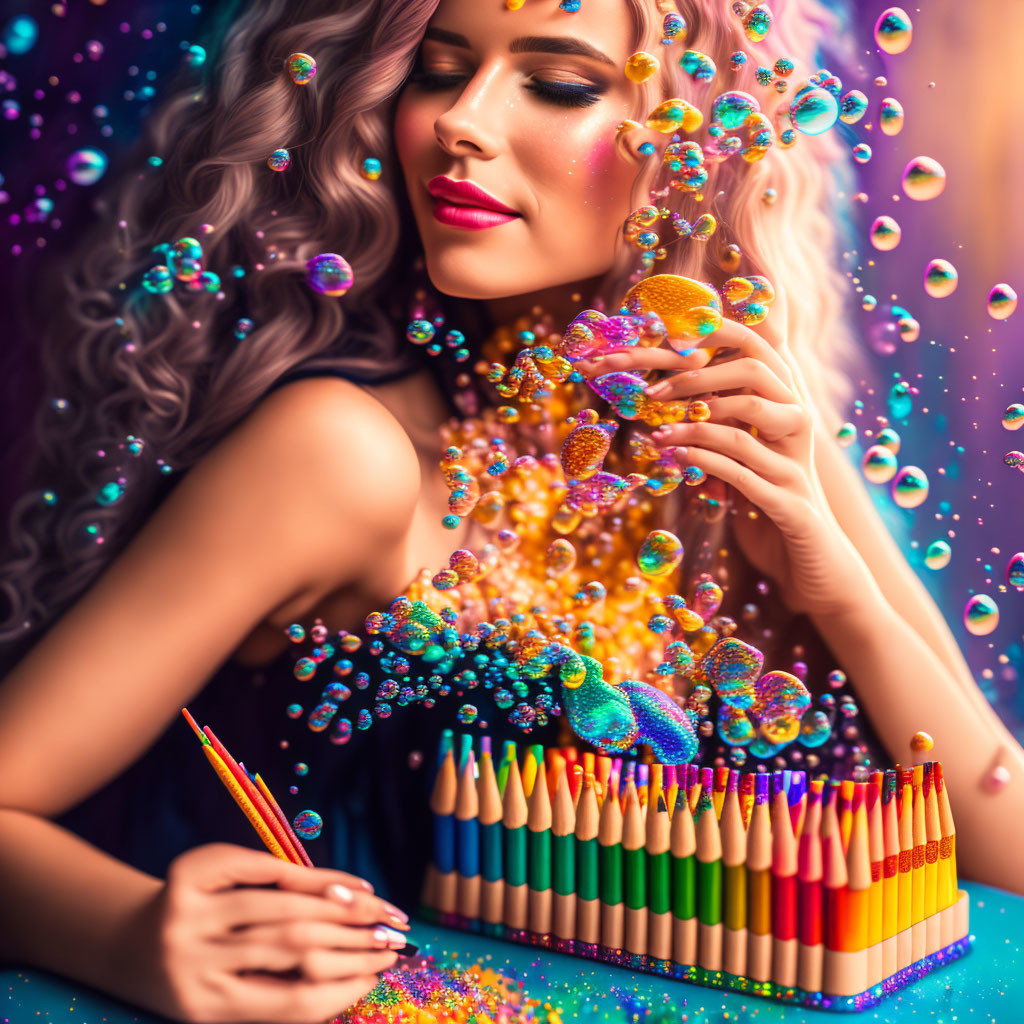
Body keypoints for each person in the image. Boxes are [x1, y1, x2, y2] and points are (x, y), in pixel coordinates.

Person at [0, 0, 1022, 1021]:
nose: (460, 121)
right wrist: (130, 931)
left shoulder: (743, 437)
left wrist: (839, 597)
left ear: (692, 142)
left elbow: (1005, 849)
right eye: (439, 70)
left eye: (560, 83)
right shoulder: (343, 457)